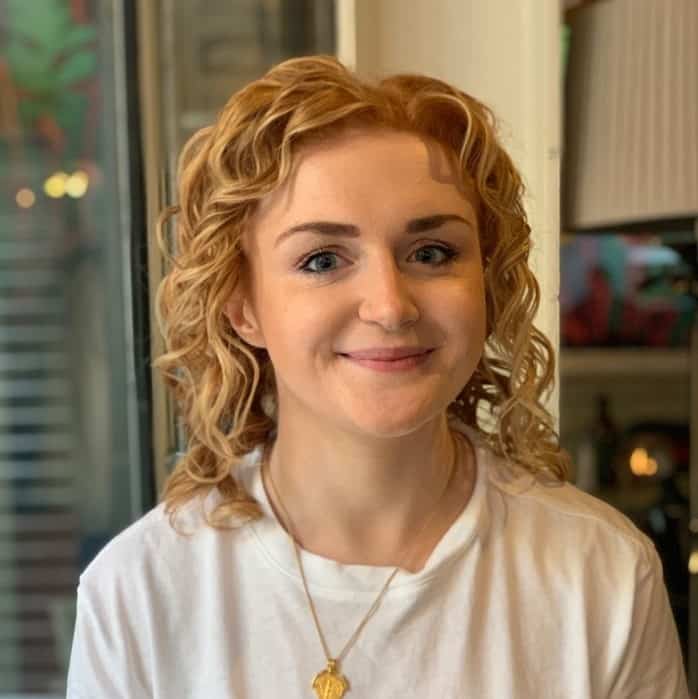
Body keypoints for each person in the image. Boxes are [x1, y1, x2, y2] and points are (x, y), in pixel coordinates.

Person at [66, 55, 690, 698]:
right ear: (242, 306)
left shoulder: (602, 578)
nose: (390, 306)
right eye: (322, 260)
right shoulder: (139, 594)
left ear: (488, 284)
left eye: (431, 252)